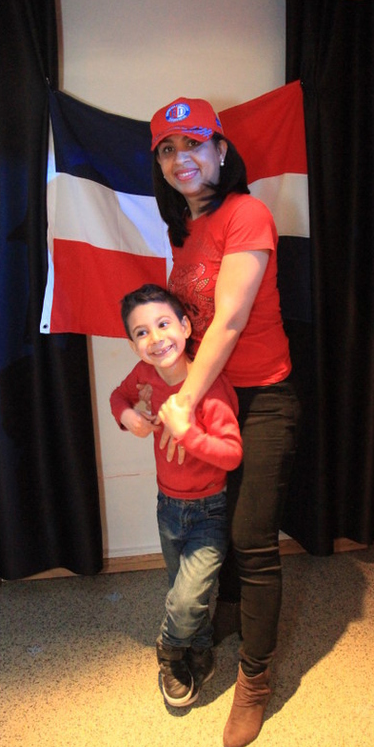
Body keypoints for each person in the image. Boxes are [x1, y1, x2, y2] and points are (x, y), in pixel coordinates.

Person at [149, 97, 301, 747]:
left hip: (260, 398)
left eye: (192, 143)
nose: (180, 157)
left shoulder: (247, 213)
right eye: (167, 149)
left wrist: (183, 403)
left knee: (250, 538)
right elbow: (183, 327)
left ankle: (255, 679)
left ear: (219, 150)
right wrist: (153, 393)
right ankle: (231, 616)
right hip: (209, 399)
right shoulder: (182, 229)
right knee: (214, 522)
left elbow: (231, 320)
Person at [109, 283, 243, 709]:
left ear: (185, 327)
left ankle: (169, 649)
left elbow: (232, 454)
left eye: (163, 324)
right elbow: (118, 396)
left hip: (209, 510)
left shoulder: (211, 387)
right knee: (184, 589)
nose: (155, 338)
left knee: (186, 597)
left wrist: (188, 433)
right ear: (133, 345)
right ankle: (198, 650)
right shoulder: (144, 375)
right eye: (142, 332)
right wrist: (128, 415)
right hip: (167, 506)